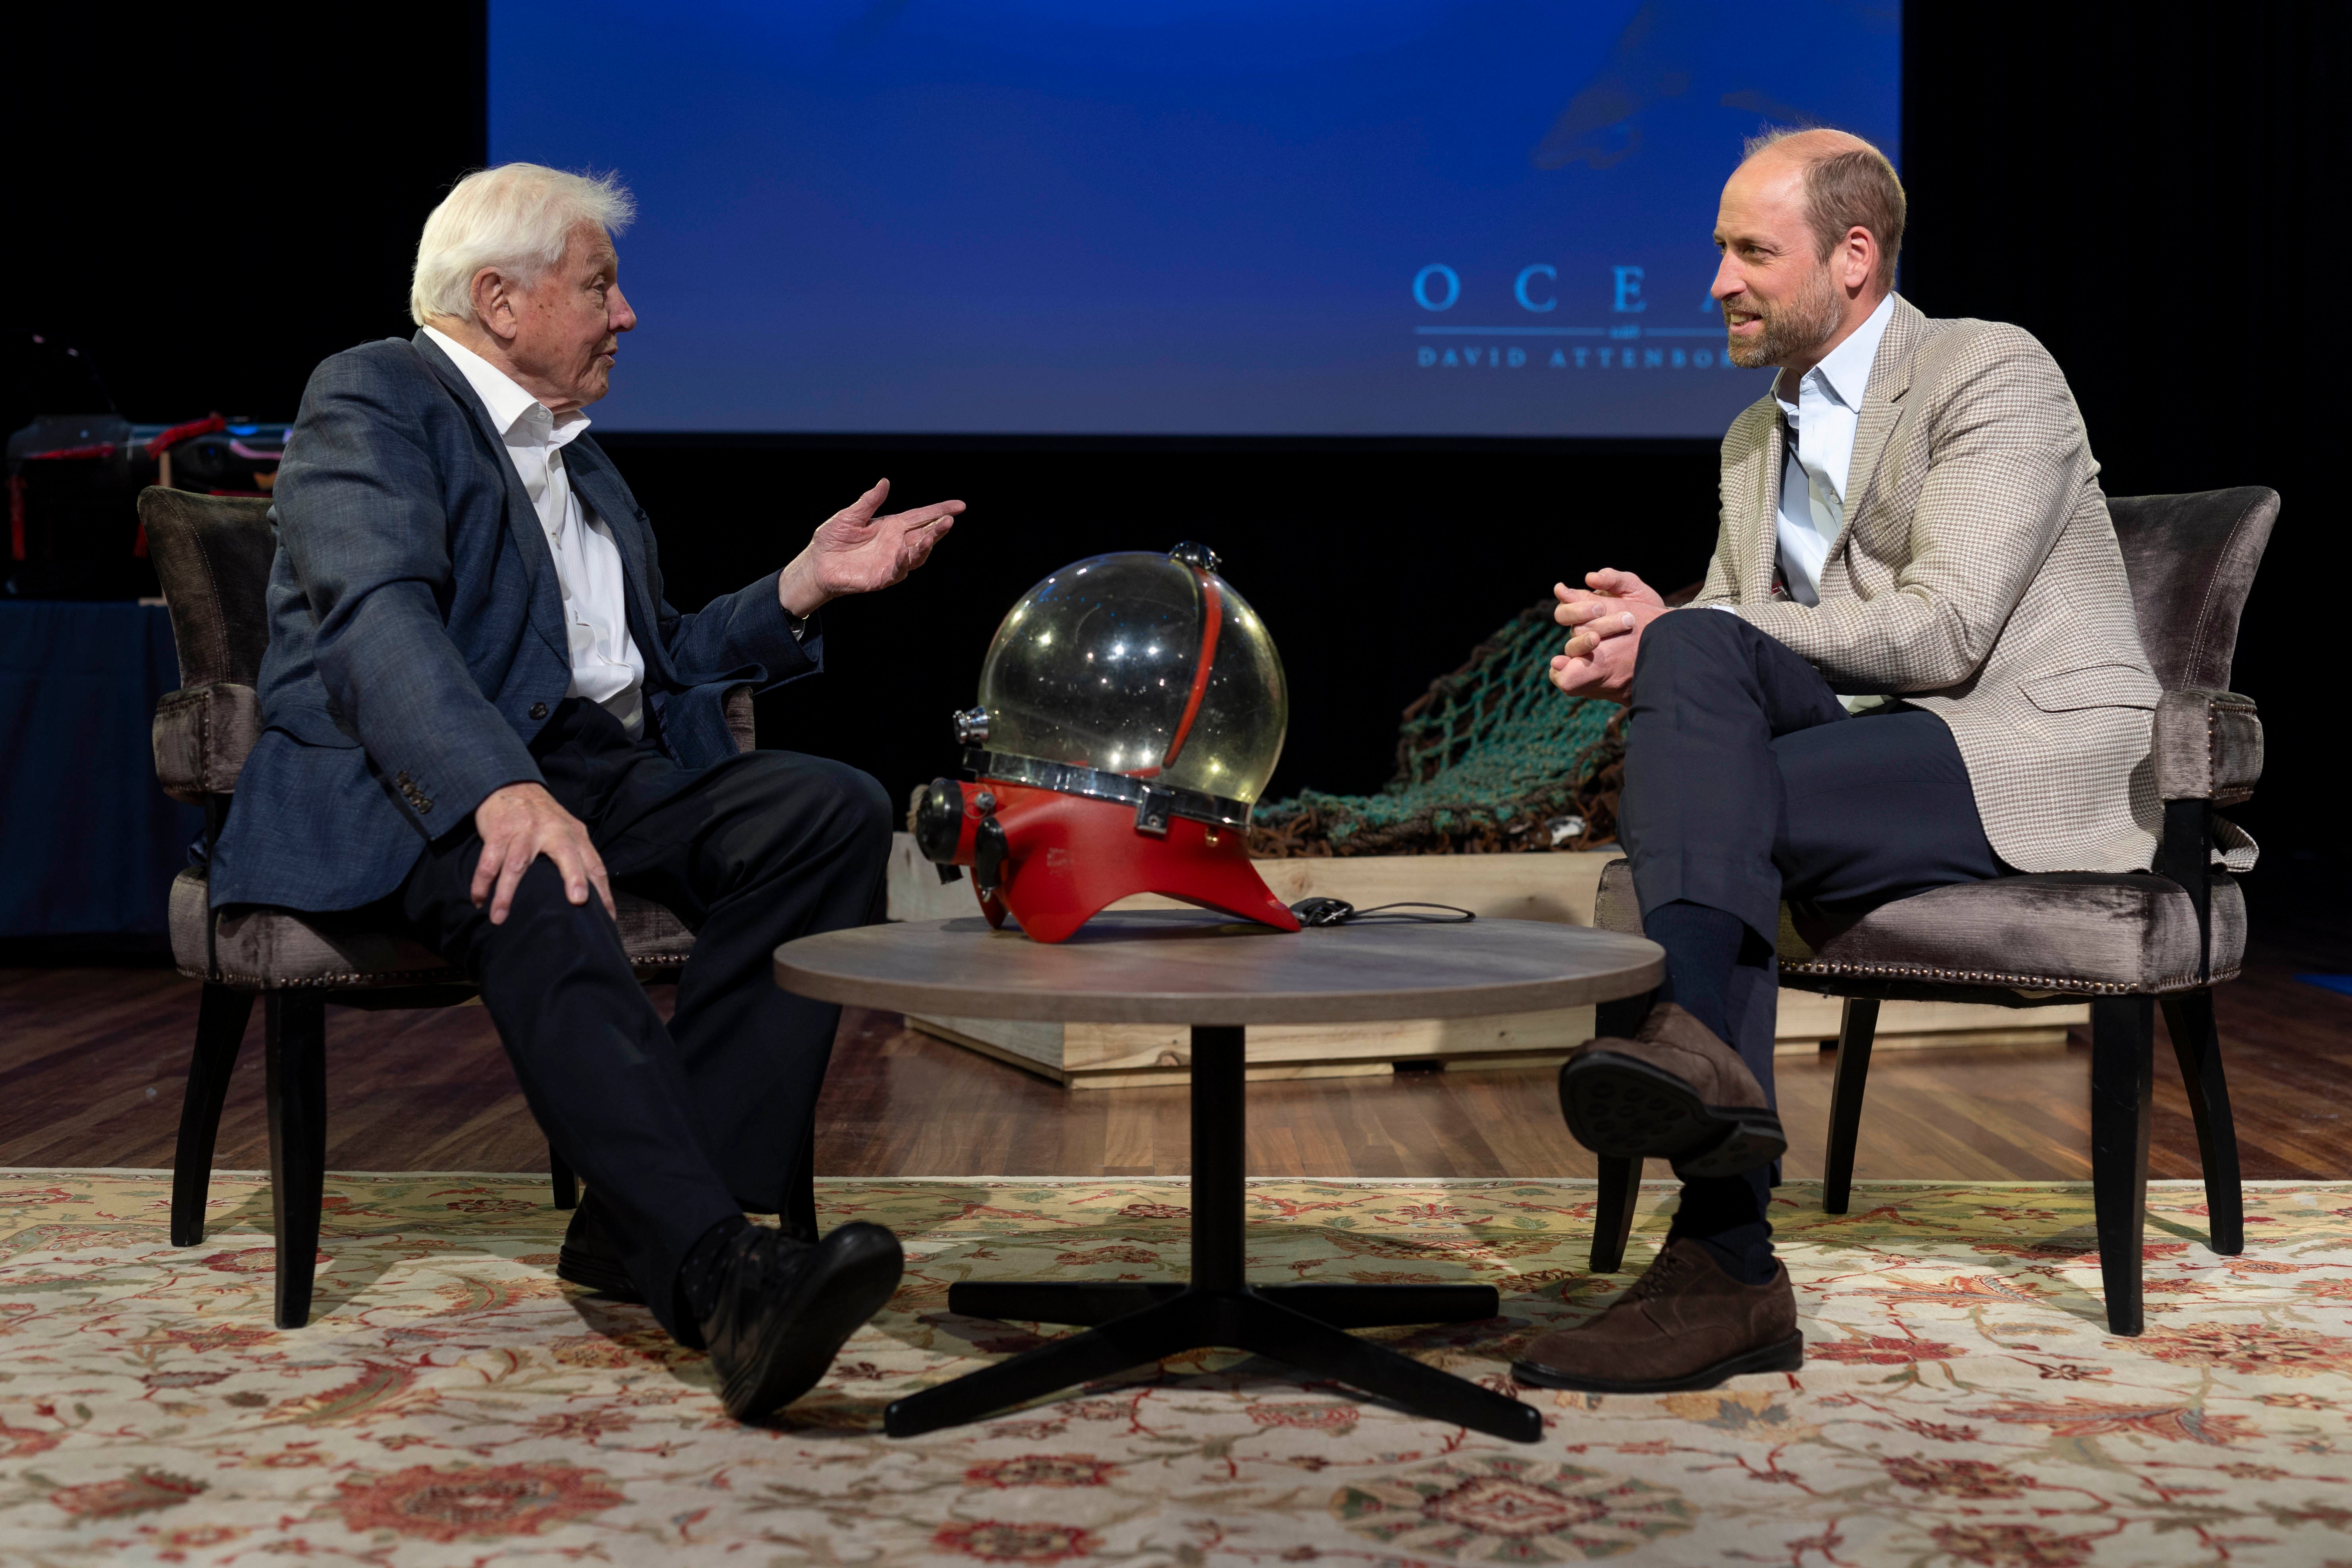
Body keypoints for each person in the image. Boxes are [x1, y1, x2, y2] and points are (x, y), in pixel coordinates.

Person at [210, 164, 965, 1420]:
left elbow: (652, 656)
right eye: (600, 286)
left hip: (597, 767)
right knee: (542, 876)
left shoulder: (582, 462)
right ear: (499, 301)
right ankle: (721, 1275)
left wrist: (800, 590)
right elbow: (377, 621)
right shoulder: (376, 395)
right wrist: (497, 790)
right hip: (412, 786)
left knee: (826, 807)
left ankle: (641, 1224)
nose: (628, 316)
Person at [1512, 127, 2185, 1394]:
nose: (1718, 281)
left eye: (1750, 251)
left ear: (1856, 258)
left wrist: (1689, 632)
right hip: (1865, 751)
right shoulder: (1749, 441)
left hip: (2018, 747)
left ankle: (1722, 1245)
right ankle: (1716, 1162)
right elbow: (1728, 657)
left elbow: (1944, 631)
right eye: (1720, 248)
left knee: (1712, 709)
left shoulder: (1988, 369)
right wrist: (1643, 652)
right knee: (1702, 676)